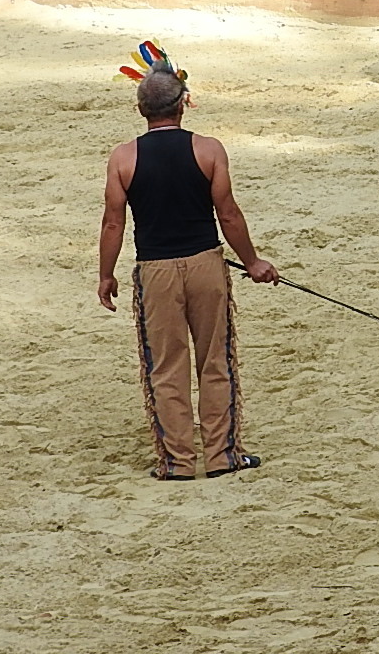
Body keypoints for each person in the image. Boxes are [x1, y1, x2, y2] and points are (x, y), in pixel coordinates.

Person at [97, 59, 279, 480]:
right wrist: (252, 262)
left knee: (165, 366)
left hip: (155, 270)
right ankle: (222, 456)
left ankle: (178, 462)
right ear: (182, 105)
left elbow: (113, 222)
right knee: (216, 360)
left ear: (142, 110)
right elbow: (228, 214)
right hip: (205, 264)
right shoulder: (209, 149)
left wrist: (106, 275)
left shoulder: (123, 158)